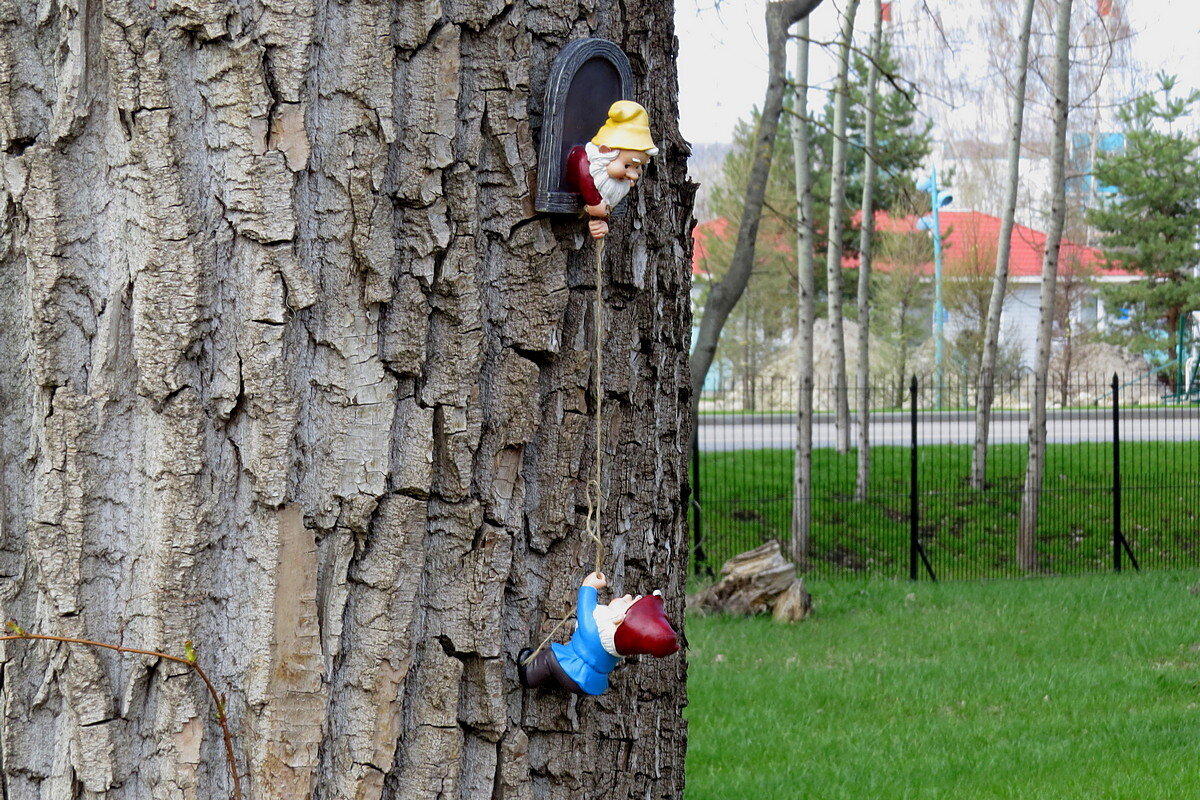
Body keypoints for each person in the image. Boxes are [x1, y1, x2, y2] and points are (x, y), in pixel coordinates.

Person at [518, 571, 678, 696]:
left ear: (618, 619)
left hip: (575, 672)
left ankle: (529, 675)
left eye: (626, 602)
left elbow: (585, 608)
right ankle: (551, 680)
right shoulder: (616, 650)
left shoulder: (594, 629)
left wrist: (589, 585)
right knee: (558, 668)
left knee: (550, 657)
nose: (626, 596)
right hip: (589, 684)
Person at [564, 100, 659, 239]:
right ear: (605, 152)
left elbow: (607, 197)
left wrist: (600, 222)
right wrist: (594, 203)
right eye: (627, 166)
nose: (633, 176)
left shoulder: (611, 180)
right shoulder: (586, 161)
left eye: (638, 167)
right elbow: (587, 178)